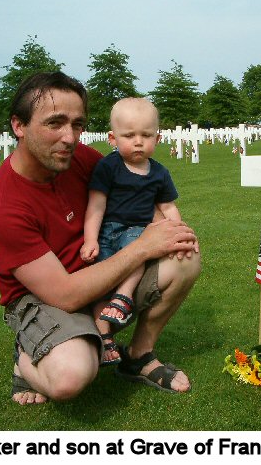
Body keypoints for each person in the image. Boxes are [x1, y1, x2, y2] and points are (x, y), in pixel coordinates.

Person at [0, 71, 200, 405]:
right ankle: (26, 357)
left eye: (77, 124)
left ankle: (139, 355)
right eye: (55, 123)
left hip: (99, 269)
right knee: (70, 377)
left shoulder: (81, 160)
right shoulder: (2, 207)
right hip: (46, 298)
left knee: (184, 258)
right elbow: (64, 294)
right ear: (18, 126)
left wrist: (170, 230)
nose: (70, 137)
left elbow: (137, 197)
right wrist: (143, 245)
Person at [80, 98, 182, 366]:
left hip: (137, 231)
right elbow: (96, 205)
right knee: (98, 289)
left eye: (146, 135)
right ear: (112, 138)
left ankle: (124, 297)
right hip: (107, 232)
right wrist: (90, 239)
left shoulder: (159, 173)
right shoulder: (108, 167)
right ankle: (105, 338)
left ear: (157, 138)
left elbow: (168, 207)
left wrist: (178, 232)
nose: (138, 141)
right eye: (129, 135)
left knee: (137, 253)